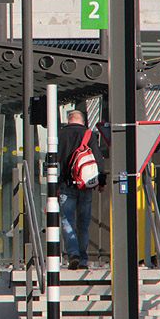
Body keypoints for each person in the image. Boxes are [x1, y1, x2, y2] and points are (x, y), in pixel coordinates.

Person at [58, 110, 105, 269]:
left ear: (69, 120)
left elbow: (54, 161)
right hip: (85, 185)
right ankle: (83, 259)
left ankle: (73, 254)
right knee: (83, 224)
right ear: (83, 121)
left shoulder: (60, 135)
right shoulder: (88, 134)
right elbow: (98, 158)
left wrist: (55, 186)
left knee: (67, 220)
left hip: (66, 185)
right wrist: (101, 181)